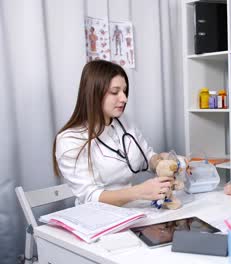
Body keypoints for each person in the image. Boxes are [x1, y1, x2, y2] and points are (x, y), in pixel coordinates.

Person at [53, 60, 173, 206]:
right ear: (94, 93)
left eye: (124, 91)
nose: (124, 98)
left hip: (132, 210)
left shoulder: (124, 122)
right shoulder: (69, 140)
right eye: (115, 92)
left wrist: (162, 161)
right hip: (97, 217)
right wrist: (140, 191)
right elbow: (89, 196)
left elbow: (146, 157)